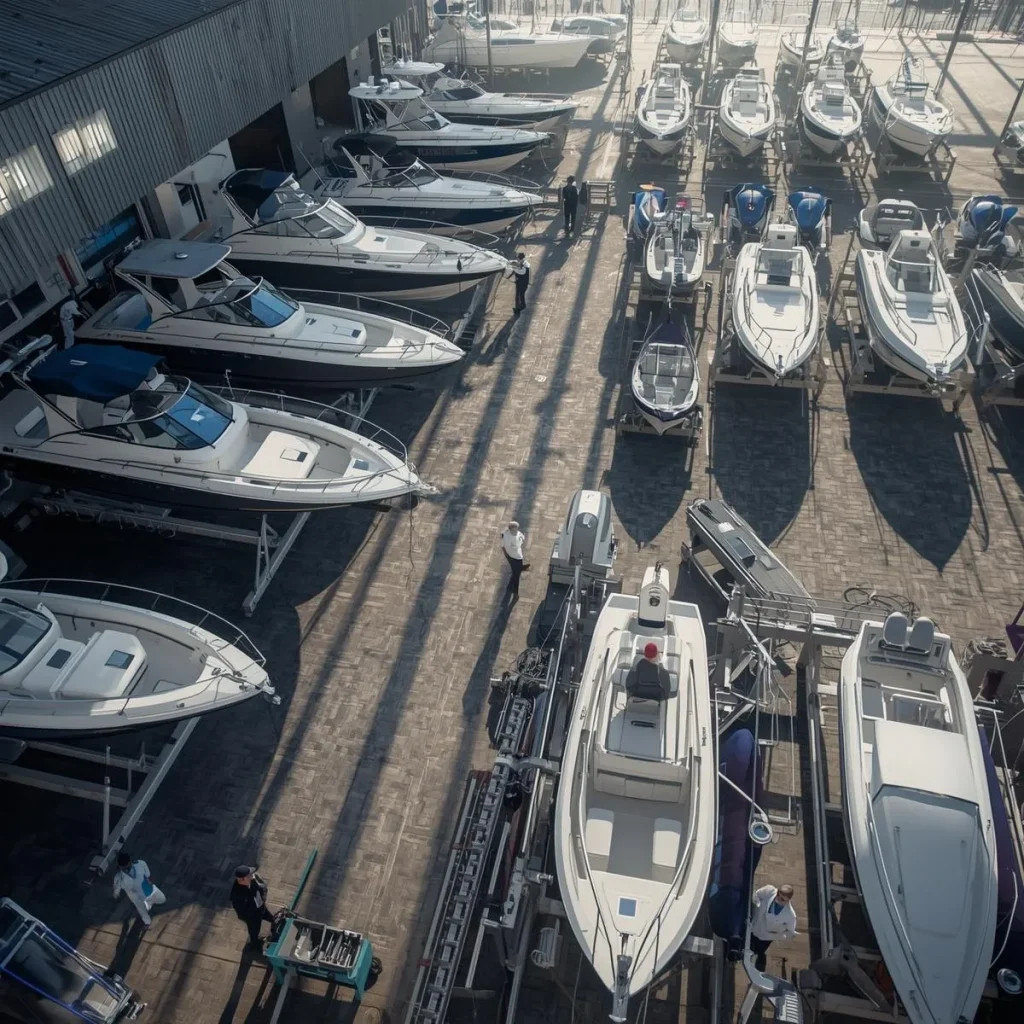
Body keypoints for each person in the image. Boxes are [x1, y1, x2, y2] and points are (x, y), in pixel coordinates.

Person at [749, 883, 798, 972]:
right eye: (778, 895)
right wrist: (757, 906)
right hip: (755, 925)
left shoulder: (790, 915)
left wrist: (778, 934)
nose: (778, 899)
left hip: (766, 937)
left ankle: (758, 966)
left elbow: (790, 932)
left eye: (782, 899)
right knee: (749, 943)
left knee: (760, 950)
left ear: (788, 900)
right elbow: (756, 895)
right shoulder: (769, 890)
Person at [113, 852, 166, 928]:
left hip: (147, 889)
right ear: (120, 867)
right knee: (141, 910)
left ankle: (149, 903)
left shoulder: (140, 863)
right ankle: (147, 922)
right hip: (135, 897)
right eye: (124, 868)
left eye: (127, 867)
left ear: (130, 862)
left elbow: (147, 873)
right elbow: (116, 888)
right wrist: (116, 894)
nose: (126, 870)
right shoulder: (118, 878)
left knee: (162, 899)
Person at [230, 865, 276, 952]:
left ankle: (274, 931)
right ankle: (255, 945)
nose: (252, 876)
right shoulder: (237, 896)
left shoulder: (252, 880)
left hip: (261, 908)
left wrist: (263, 898)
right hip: (252, 917)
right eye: (249, 875)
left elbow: (262, 888)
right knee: (254, 932)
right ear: (242, 879)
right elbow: (243, 912)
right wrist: (254, 915)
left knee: (274, 919)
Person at [501, 520, 529, 597]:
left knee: (515, 571)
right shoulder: (512, 536)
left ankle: (510, 586)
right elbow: (518, 543)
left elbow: (502, 546)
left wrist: (506, 555)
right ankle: (515, 591)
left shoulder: (505, 533)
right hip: (516, 557)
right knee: (516, 574)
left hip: (510, 556)